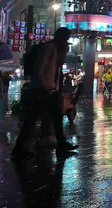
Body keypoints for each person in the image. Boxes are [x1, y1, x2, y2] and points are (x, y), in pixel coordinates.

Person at [11, 27, 79, 159]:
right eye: (66, 39)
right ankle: (19, 148)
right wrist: (44, 87)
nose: (67, 43)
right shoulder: (48, 48)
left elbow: (55, 72)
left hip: (49, 90)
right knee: (34, 119)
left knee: (54, 117)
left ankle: (60, 144)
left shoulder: (56, 50)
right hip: (42, 90)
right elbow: (39, 70)